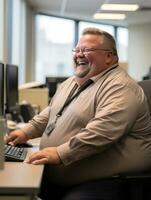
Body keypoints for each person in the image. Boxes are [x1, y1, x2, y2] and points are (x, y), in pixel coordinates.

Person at [5, 27, 151, 200]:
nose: (79, 54)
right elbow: (51, 112)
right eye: (77, 50)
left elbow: (102, 132)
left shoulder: (121, 87)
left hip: (106, 181)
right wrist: (25, 132)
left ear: (109, 56)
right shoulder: (72, 82)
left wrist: (61, 153)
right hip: (65, 177)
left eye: (87, 50)